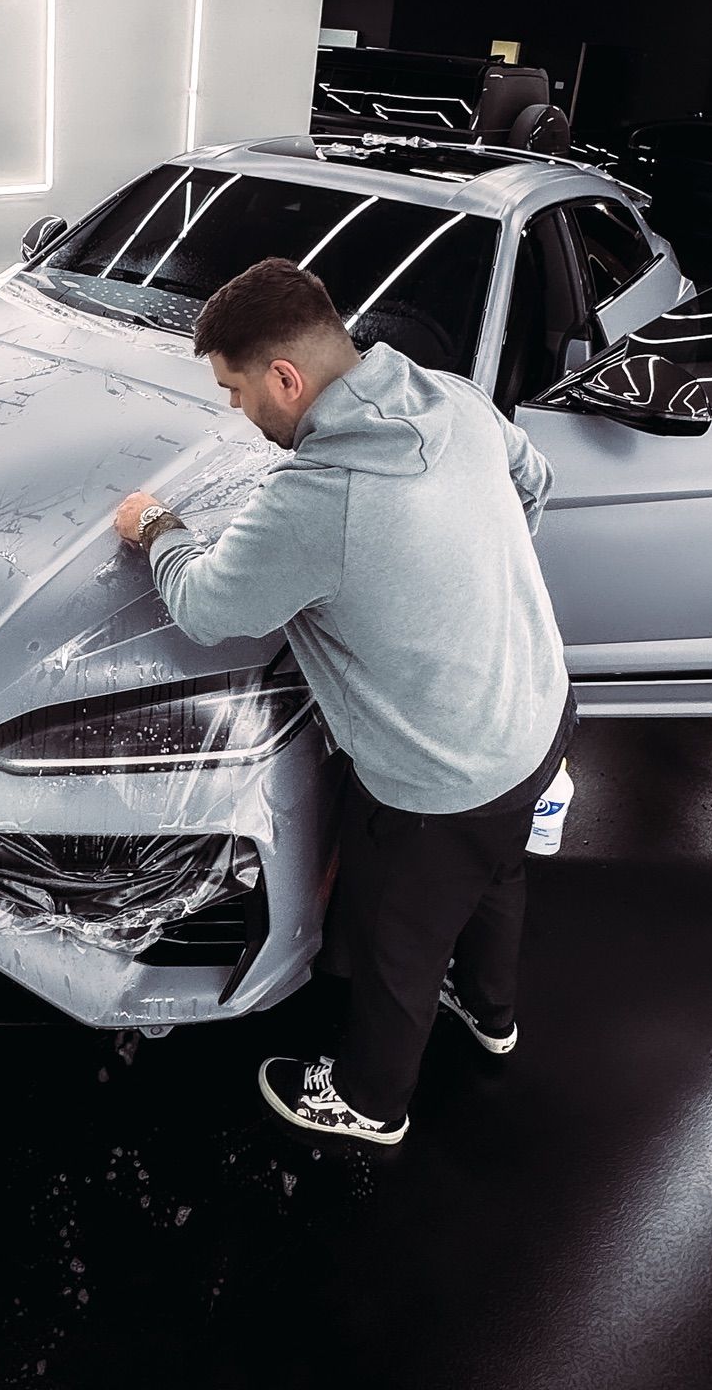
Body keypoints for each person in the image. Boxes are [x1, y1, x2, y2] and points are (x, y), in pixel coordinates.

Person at [113, 256, 573, 1146]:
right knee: (496, 880)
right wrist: (469, 592)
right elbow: (535, 484)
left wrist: (157, 527)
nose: (238, 415)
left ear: (286, 376)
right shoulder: (450, 398)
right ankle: (491, 1014)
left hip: (442, 778)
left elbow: (209, 609)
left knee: (400, 944)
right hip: (538, 715)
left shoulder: (322, 496)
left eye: (237, 391)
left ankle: (369, 1101)